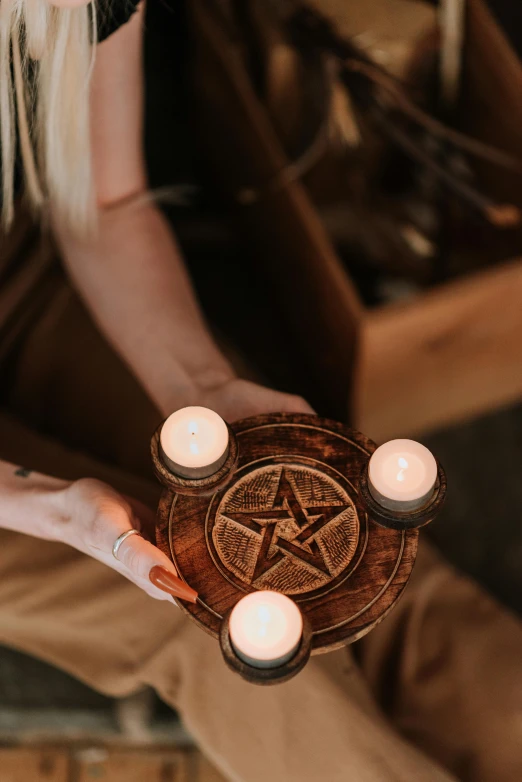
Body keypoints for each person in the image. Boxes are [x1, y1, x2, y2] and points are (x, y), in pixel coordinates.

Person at [0, 1, 521, 780]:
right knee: (195, 620)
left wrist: (204, 387)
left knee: (357, 571)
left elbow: (104, 205)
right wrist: (49, 507)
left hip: (24, 281)